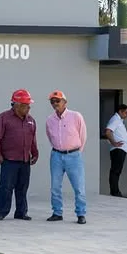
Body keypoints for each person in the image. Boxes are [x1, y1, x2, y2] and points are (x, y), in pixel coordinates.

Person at [0, 89, 39, 221]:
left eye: (29, 105)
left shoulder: (31, 121)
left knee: (23, 187)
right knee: (6, 187)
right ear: (17, 105)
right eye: (26, 105)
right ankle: (2, 211)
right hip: (9, 160)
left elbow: (32, 139)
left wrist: (35, 153)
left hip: (25, 159)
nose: (28, 108)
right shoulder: (3, 118)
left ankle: (21, 212)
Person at [44, 90, 87, 224]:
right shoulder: (50, 120)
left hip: (73, 155)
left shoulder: (76, 116)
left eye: (58, 101)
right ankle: (57, 212)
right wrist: (58, 149)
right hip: (56, 155)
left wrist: (76, 151)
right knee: (55, 186)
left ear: (65, 102)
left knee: (79, 187)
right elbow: (50, 137)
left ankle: (81, 214)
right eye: (52, 101)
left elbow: (82, 135)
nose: (55, 103)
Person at [104, 103, 127, 197]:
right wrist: (114, 143)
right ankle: (115, 191)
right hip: (118, 149)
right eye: (125, 113)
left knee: (117, 170)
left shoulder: (119, 120)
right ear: (120, 111)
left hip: (121, 149)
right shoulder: (115, 119)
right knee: (115, 170)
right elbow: (108, 131)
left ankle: (115, 190)